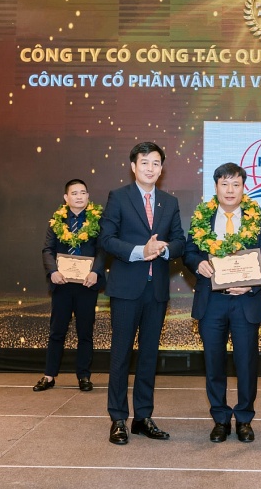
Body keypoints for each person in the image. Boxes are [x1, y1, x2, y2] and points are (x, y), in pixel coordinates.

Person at [100, 142, 186, 445]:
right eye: (145, 162)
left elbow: (180, 240)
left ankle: (143, 417)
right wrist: (140, 250)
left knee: (149, 356)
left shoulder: (169, 202)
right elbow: (106, 239)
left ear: (162, 168)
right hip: (126, 289)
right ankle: (118, 418)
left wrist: (164, 248)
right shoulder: (119, 197)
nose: (151, 168)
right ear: (133, 166)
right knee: (121, 354)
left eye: (156, 163)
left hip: (156, 290)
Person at [184, 162, 261, 443]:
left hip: (244, 302)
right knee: (214, 363)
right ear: (216, 187)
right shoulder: (203, 216)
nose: (230, 190)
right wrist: (198, 264)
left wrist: (252, 283)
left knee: (246, 363)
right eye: (224, 184)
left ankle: (244, 418)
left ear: (244, 188)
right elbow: (189, 252)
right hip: (211, 302)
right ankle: (220, 419)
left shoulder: (256, 219)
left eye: (236, 184)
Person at [34, 179, 107, 393]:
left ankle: (84, 376)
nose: (79, 196)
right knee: (57, 331)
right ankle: (49, 376)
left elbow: (103, 250)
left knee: (85, 333)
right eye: (74, 193)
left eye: (83, 192)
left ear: (88, 196)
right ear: (66, 198)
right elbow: (47, 250)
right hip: (62, 284)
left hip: (87, 284)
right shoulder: (56, 220)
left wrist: (95, 272)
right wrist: (53, 271)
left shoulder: (98, 220)